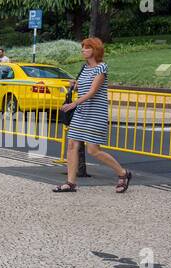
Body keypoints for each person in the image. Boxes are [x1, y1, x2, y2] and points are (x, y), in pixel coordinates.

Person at [55, 37, 131, 194]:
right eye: (83, 48)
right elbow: (83, 89)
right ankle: (70, 183)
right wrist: (74, 86)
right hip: (82, 112)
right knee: (71, 145)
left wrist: (74, 103)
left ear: (95, 50)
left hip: (95, 113)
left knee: (93, 150)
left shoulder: (101, 68)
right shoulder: (84, 68)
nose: (83, 50)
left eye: (87, 48)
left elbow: (92, 91)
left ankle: (123, 173)